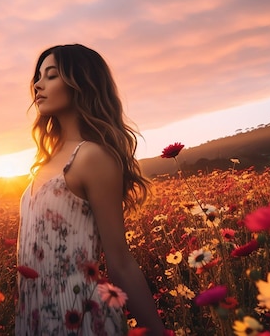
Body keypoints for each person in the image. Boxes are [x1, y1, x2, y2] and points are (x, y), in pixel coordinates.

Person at [16, 44, 166, 335]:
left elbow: (120, 261)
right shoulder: (48, 157)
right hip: (33, 318)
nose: (38, 84)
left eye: (51, 75)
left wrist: (158, 332)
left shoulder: (91, 156)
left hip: (78, 316)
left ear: (80, 82)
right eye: (38, 77)